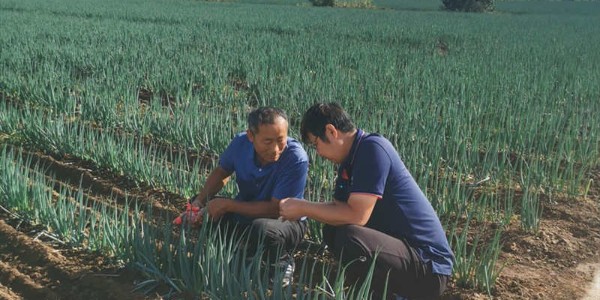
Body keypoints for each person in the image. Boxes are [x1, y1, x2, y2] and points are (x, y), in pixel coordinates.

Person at [279, 103, 454, 299]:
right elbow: (338, 208)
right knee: (333, 230)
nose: (317, 153)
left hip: (428, 267)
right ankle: (372, 292)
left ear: (331, 131)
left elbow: (357, 215)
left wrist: (303, 207)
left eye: (316, 143)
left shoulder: (372, 148)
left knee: (351, 237)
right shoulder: (350, 161)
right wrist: (301, 206)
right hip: (402, 254)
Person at [180, 106, 309, 286]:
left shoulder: (296, 158)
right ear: (251, 136)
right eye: (267, 141)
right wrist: (198, 203)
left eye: (281, 140)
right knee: (208, 205)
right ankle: (244, 250)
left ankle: (282, 263)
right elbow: (222, 172)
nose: (275, 148)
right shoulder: (241, 143)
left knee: (264, 229)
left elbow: (276, 209)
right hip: (248, 210)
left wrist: (227, 205)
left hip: (285, 221)